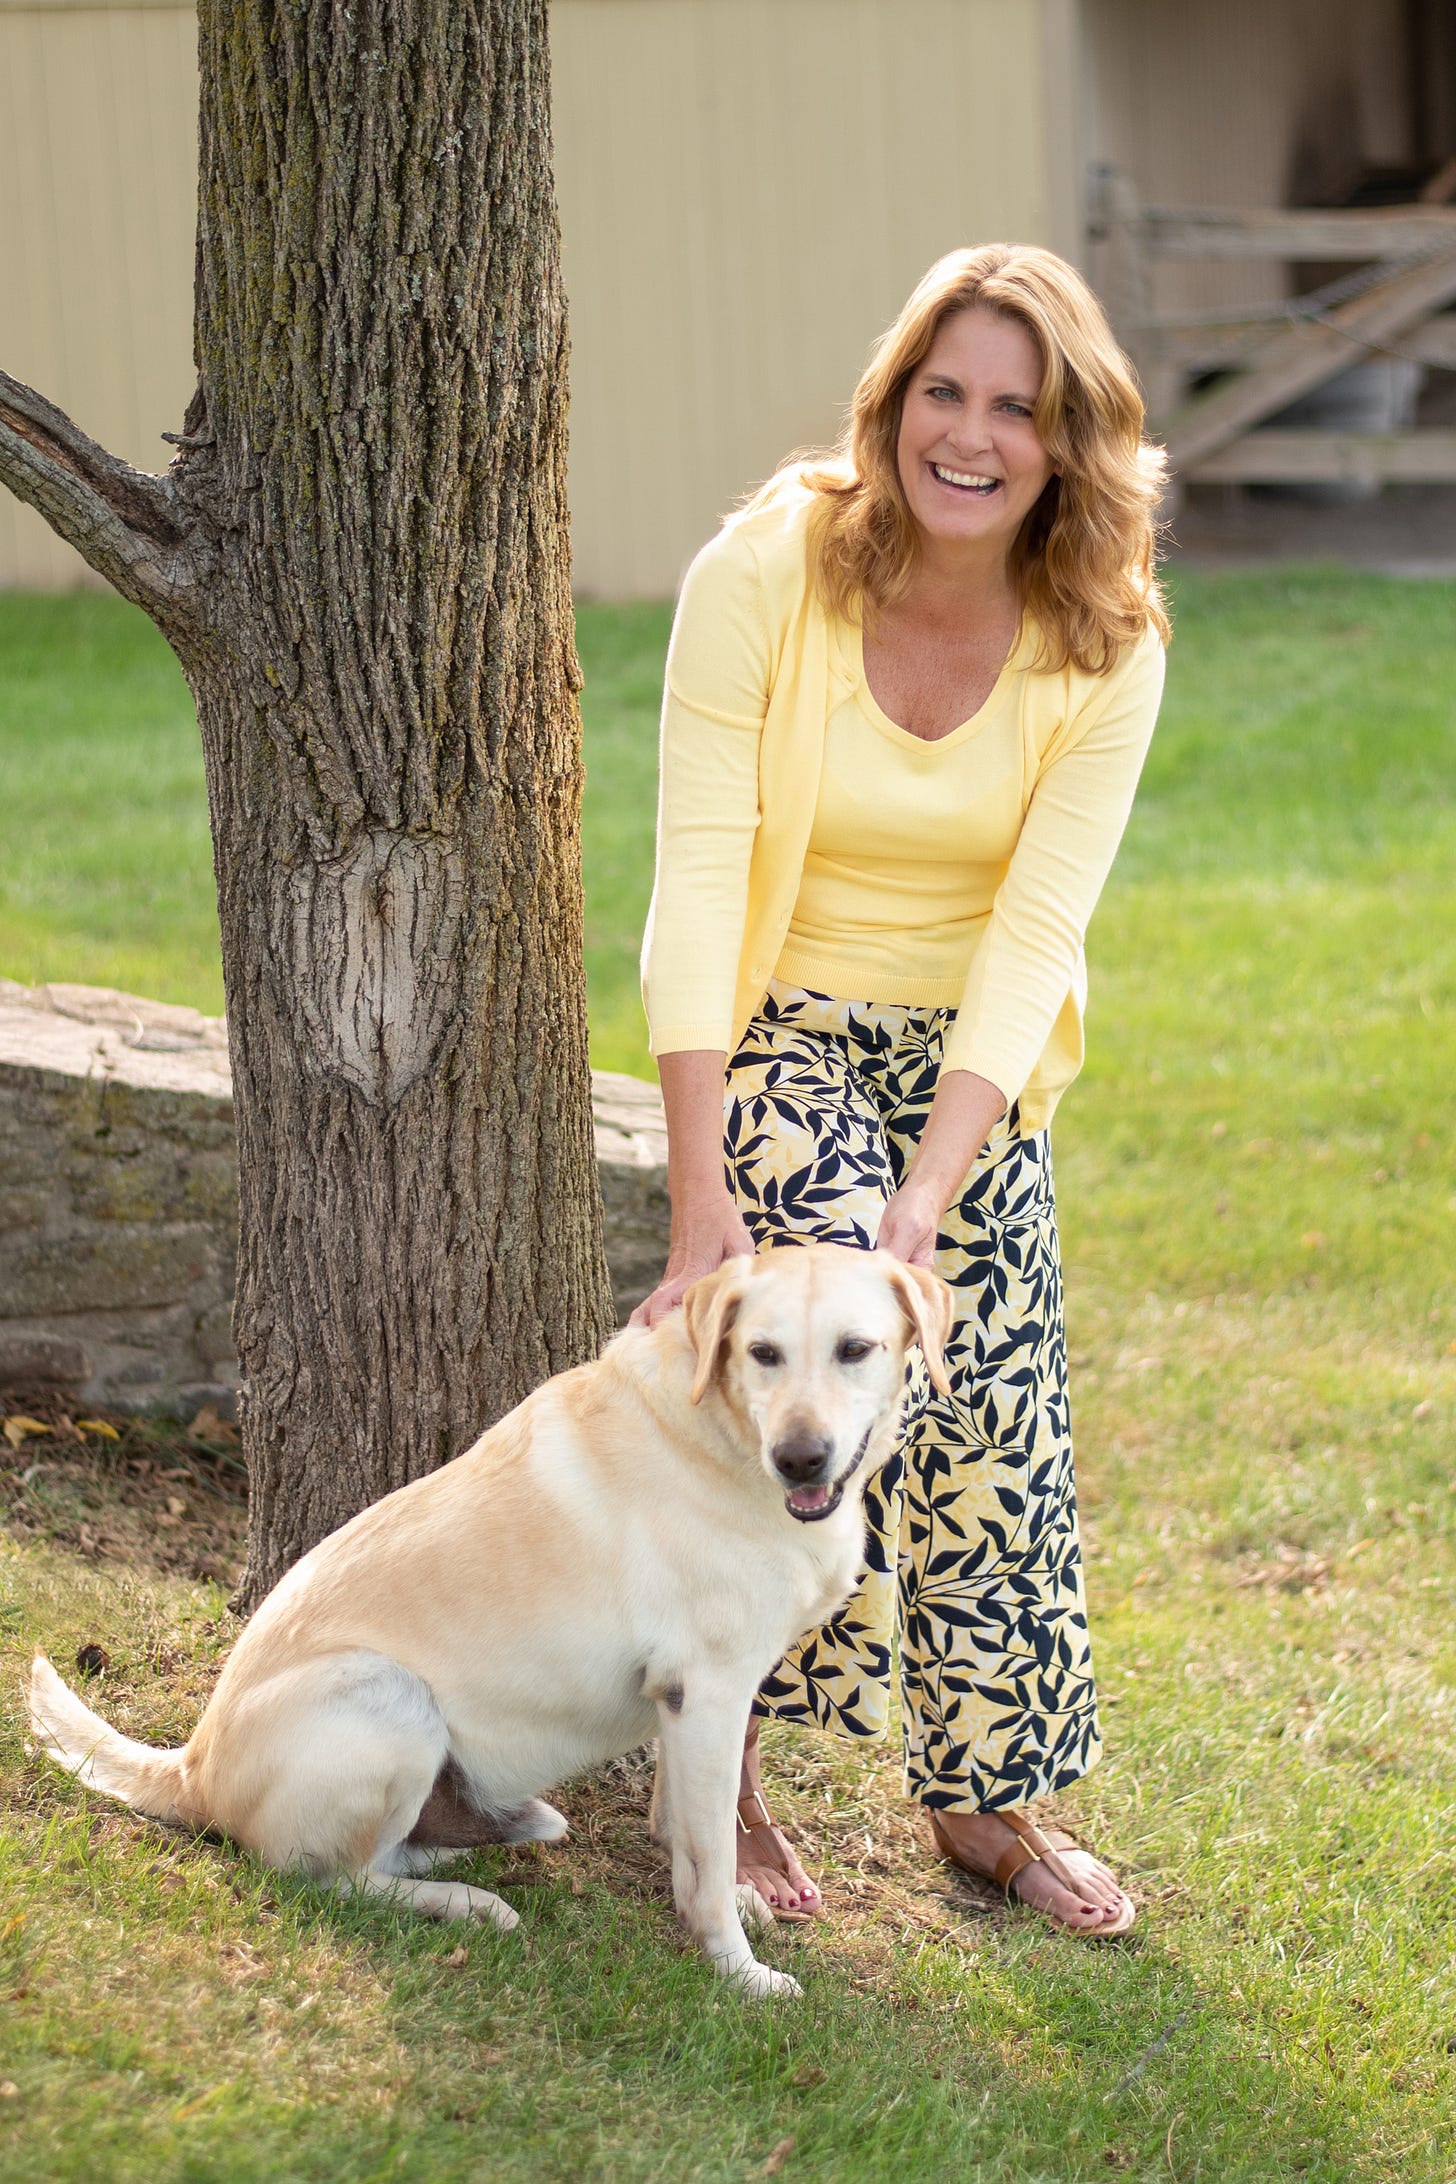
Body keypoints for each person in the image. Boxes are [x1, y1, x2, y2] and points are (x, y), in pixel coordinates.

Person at [633, 243, 1169, 1938]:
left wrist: (934, 1196)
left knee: (991, 1380)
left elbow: (1037, 932)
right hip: (781, 1010)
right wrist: (700, 1191)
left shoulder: (1107, 635)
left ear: (1069, 441)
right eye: (944, 391)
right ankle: (725, 1766)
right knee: (801, 1326)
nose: (972, 434)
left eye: (1017, 406)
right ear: (892, 405)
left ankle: (987, 1798)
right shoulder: (770, 569)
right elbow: (700, 879)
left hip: (968, 1061)